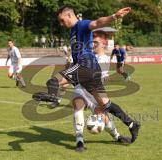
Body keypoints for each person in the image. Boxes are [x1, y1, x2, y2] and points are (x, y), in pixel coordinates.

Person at [33, 5, 140, 143]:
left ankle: (53, 97)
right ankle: (132, 124)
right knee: (105, 104)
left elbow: (97, 23)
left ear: (69, 15)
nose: (61, 24)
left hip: (86, 67)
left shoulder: (82, 24)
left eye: (61, 20)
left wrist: (114, 16)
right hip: (89, 71)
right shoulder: (72, 31)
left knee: (53, 81)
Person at [73, 30, 131, 152]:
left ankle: (117, 136)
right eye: (92, 42)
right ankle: (79, 140)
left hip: (94, 92)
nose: (93, 45)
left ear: (103, 44)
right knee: (78, 106)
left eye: (96, 43)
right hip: (81, 89)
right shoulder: (86, 54)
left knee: (103, 116)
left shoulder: (104, 59)